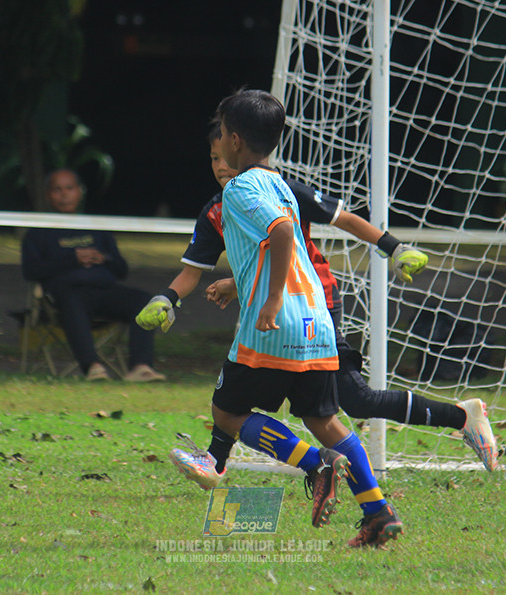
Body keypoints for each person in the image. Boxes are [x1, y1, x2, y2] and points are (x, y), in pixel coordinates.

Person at [137, 118, 497, 490]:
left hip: (313, 303)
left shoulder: (281, 190)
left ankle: (454, 421)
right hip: (270, 308)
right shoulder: (218, 209)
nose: (220, 166)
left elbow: (341, 220)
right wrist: (168, 298)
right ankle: (224, 463)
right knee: (274, 395)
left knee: (347, 401)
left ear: (239, 145)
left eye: (223, 155)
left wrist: (395, 248)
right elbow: (200, 269)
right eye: (213, 159)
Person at [148, 89, 403, 548]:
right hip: (315, 320)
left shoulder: (241, 188)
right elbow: (273, 245)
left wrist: (266, 302)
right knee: (326, 419)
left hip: (275, 321)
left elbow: (281, 233)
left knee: (227, 413)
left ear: (233, 141)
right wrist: (239, 283)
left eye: (221, 135)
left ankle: (314, 465)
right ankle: (378, 511)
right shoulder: (280, 183)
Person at [21, 168, 165, 383]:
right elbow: (31, 271)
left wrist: (104, 258)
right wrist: (73, 259)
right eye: (57, 190)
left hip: (104, 291)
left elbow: (121, 270)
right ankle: (92, 366)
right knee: (72, 300)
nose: (64, 194)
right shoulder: (38, 231)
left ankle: (140, 366)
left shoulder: (97, 227)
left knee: (145, 301)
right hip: (65, 296)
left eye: (69, 188)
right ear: (47, 195)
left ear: (80, 192)